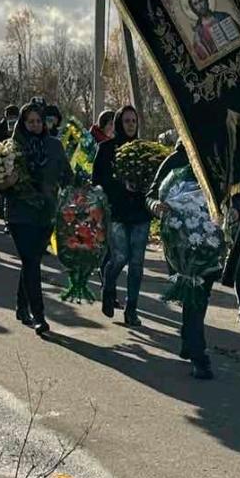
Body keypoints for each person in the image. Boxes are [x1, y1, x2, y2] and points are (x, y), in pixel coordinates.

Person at [148, 140, 216, 379]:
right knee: (193, 292)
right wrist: (156, 205)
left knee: (201, 294)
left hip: (209, 239)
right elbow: (152, 193)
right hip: (179, 242)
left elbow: (231, 190)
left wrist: (233, 207)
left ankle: (190, 338)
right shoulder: (175, 160)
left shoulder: (216, 159)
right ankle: (199, 355)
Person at [6, 103, 72, 336]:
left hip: (46, 212)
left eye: (38, 121)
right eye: (29, 121)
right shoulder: (13, 147)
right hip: (19, 213)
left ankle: (21, 305)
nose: (34, 125)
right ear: (22, 124)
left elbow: (67, 176)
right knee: (31, 261)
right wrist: (7, 180)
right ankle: (39, 315)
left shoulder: (54, 146)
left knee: (31, 261)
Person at [93, 105, 152, 327]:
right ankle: (108, 288)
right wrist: (120, 185)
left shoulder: (144, 149)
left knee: (137, 263)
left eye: (133, 121)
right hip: (116, 212)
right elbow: (97, 179)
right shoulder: (107, 148)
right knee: (119, 257)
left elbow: (152, 179)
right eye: (126, 121)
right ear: (119, 123)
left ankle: (132, 309)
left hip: (140, 213)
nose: (130, 125)